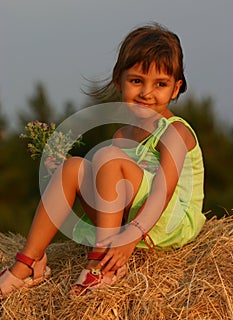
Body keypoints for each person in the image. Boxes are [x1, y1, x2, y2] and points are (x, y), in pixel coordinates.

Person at [0, 23, 206, 299]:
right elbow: (109, 191)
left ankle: (100, 264)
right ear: (118, 80)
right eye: (136, 81)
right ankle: (28, 262)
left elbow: (163, 190)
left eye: (160, 84)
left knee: (107, 156)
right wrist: (64, 180)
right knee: (74, 166)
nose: (146, 92)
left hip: (168, 222)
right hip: (128, 219)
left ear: (175, 88)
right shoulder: (123, 133)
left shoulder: (175, 131)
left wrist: (130, 237)